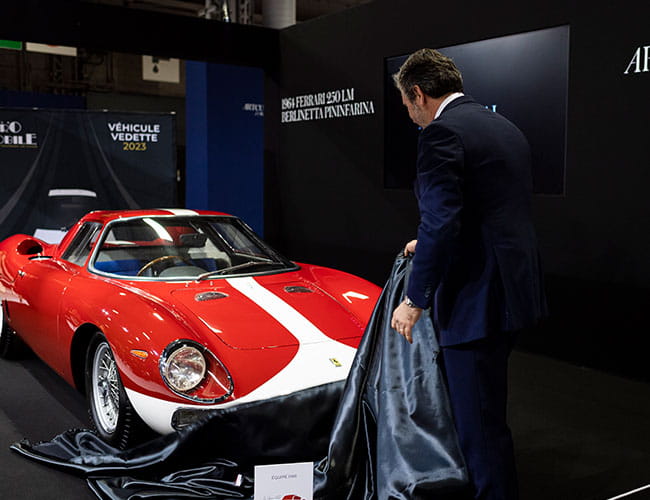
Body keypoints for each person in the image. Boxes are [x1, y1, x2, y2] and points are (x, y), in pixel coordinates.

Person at [390, 49, 546, 500]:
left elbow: (440, 220)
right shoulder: (505, 127)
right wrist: (432, 243)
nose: (410, 116)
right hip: (514, 290)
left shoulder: (441, 134)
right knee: (489, 414)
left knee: (479, 427)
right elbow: (486, 210)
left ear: (418, 94)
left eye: (406, 105)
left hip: (476, 298)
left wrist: (413, 300)